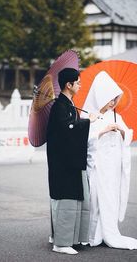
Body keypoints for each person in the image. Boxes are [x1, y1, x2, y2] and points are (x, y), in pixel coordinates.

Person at [81, 71, 137, 250]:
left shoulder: (116, 116)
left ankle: (108, 232)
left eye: (115, 99)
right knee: (94, 199)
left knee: (110, 199)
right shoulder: (88, 115)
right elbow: (82, 140)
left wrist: (121, 131)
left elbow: (128, 136)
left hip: (112, 166)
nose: (112, 103)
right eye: (110, 98)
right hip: (96, 165)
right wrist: (102, 131)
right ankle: (91, 234)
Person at [46, 68, 98, 255]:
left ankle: (69, 238)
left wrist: (84, 121)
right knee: (66, 200)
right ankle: (60, 243)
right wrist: (87, 121)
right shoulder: (60, 106)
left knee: (75, 199)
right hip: (64, 164)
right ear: (69, 85)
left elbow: (71, 127)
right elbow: (67, 131)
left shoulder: (67, 104)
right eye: (78, 82)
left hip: (69, 161)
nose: (80, 84)